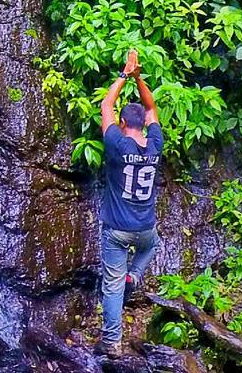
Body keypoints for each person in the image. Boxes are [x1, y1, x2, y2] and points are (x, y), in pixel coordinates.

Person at [96, 48, 163, 358]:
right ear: (144, 124)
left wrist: (124, 74)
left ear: (123, 122)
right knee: (151, 247)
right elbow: (152, 109)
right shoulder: (154, 145)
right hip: (145, 229)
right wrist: (140, 79)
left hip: (117, 231)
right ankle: (133, 275)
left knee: (111, 287)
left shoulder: (117, 142)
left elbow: (106, 104)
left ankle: (111, 342)